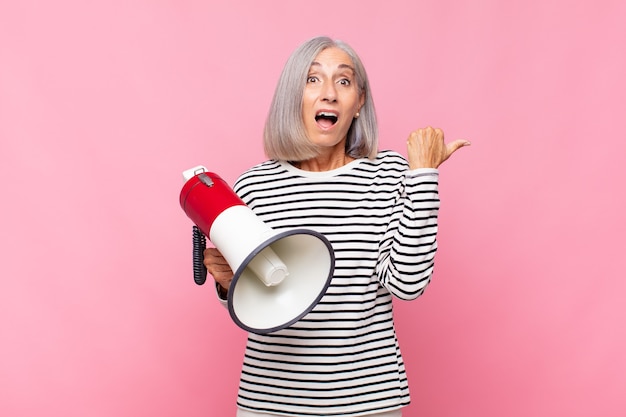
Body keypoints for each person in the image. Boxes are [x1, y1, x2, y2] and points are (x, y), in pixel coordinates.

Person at [204, 36, 470, 417]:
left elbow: (408, 284)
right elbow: (253, 303)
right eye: (313, 80)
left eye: (344, 82)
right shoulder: (253, 187)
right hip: (271, 403)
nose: (328, 93)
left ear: (359, 103)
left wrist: (423, 176)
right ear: (293, 97)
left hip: (369, 402)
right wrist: (228, 283)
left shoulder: (390, 175)